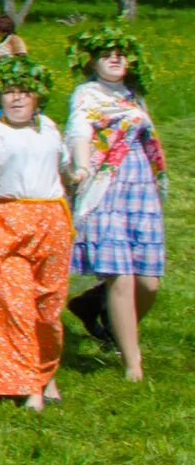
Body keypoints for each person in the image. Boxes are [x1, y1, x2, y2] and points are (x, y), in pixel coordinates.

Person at [0, 55, 85, 409]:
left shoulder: (48, 127)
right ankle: (29, 385)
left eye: (25, 92)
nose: (16, 98)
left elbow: (63, 168)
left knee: (48, 306)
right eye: (9, 92)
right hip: (5, 219)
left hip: (51, 220)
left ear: (37, 97)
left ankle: (46, 374)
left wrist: (77, 174)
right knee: (15, 304)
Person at [62, 27, 163, 382]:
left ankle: (98, 309)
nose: (116, 59)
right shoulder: (86, 94)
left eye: (121, 53)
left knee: (149, 284)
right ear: (92, 62)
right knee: (121, 276)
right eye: (107, 54)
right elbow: (78, 130)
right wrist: (81, 163)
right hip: (106, 188)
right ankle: (132, 363)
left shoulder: (134, 95)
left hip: (140, 188)